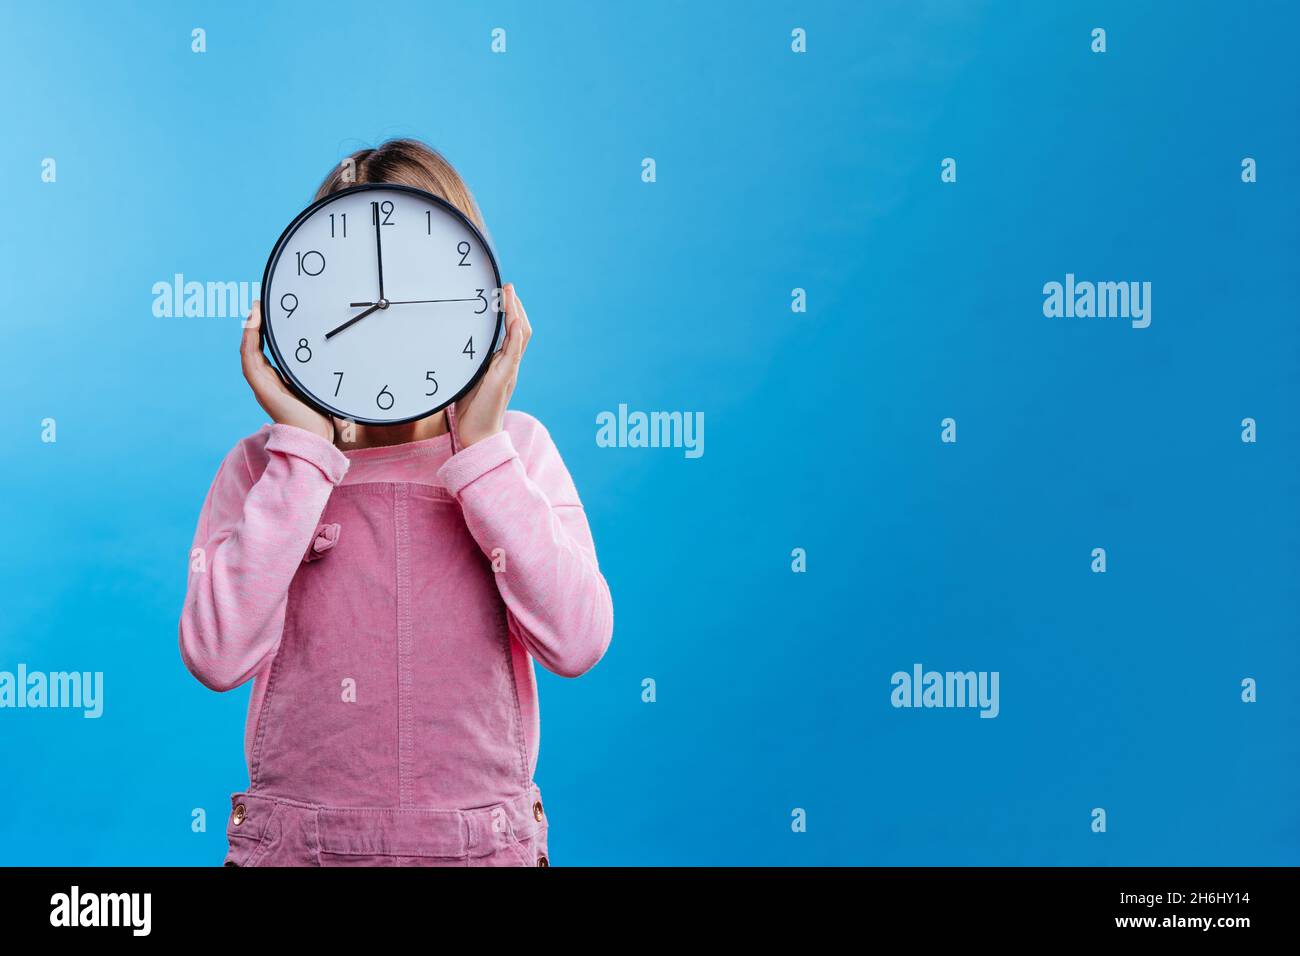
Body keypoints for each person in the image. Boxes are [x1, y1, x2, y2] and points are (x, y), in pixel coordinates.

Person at [178, 139, 613, 866]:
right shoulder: (268, 465)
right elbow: (216, 655)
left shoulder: (517, 453)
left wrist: (481, 455)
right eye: (357, 289)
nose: (386, 313)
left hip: (481, 849)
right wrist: (306, 452)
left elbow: (579, 641)